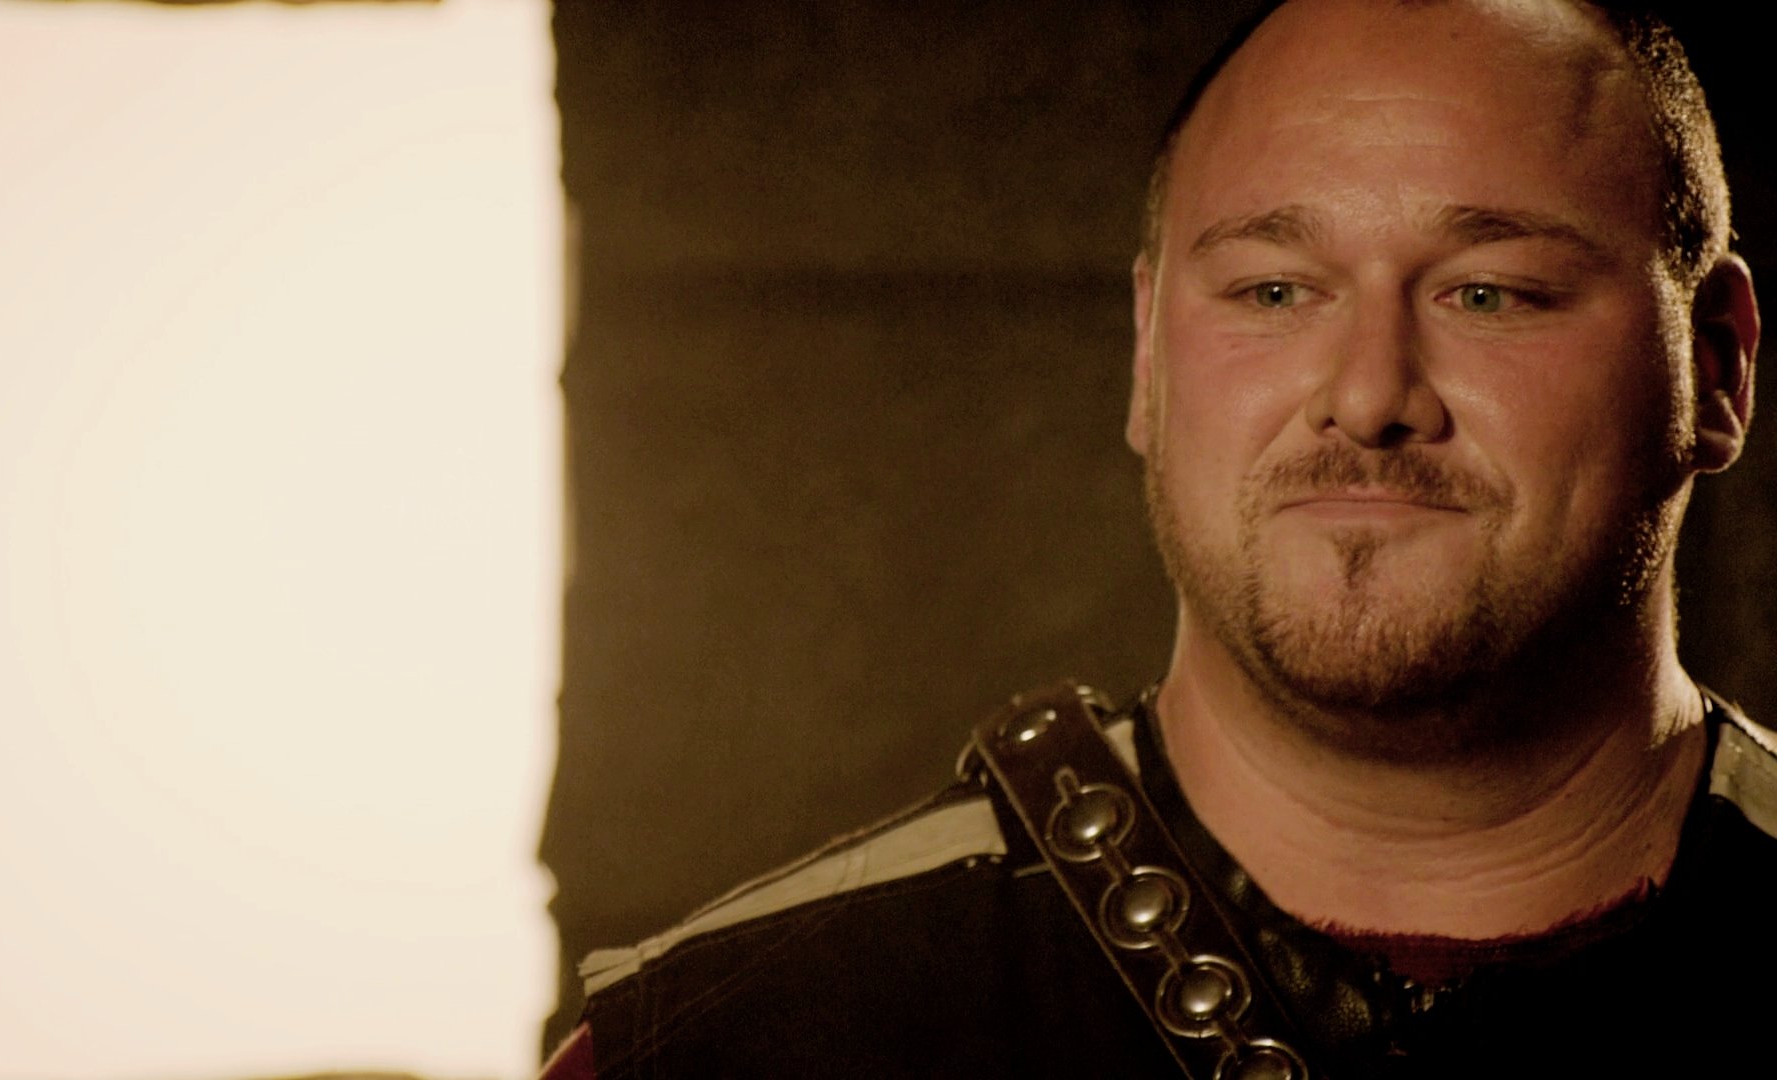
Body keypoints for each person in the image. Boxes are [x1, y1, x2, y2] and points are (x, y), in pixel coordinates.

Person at [543, 1, 1770, 1075]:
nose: (1369, 397)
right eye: (1274, 292)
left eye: (1490, 293)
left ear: (1717, 366)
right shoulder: (717, 1047)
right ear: (1146, 359)